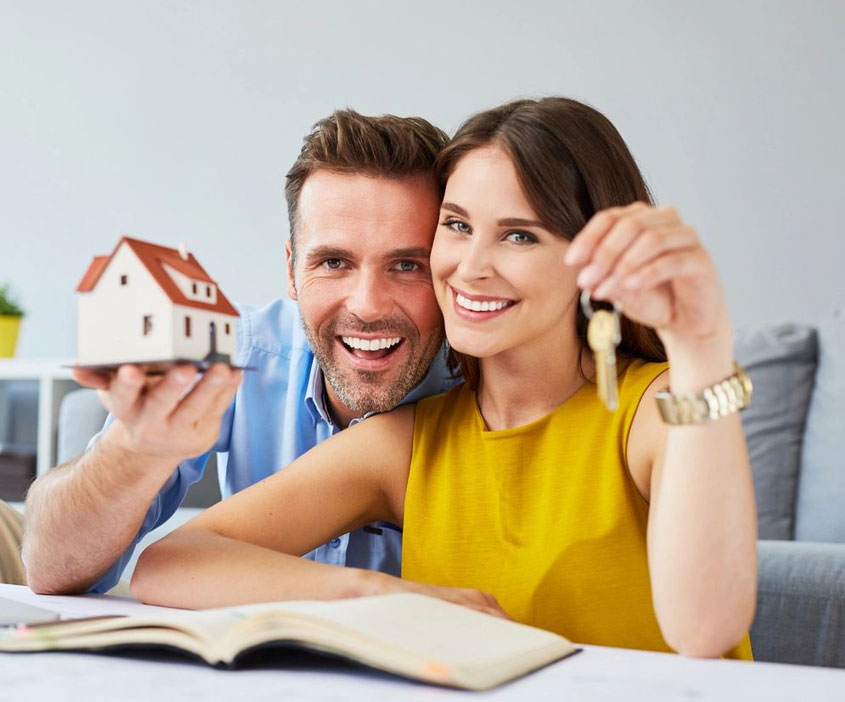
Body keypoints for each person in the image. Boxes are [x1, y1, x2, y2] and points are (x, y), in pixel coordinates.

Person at [131, 97, 757, 659]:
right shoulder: (408, 444)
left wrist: (701, 347)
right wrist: (375, 595)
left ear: (590, 260)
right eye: (456, 226)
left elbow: (705, 630)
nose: (469, 267)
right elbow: (170, 564)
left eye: (519, 235)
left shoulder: (655, 411)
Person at [22, 110, 454, 595]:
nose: (368, 306)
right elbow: (50, 569)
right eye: (333, 262)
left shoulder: (487, 388)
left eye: (406, 265)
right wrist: (134, 449)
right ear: (291, 270)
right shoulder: (234, 350)